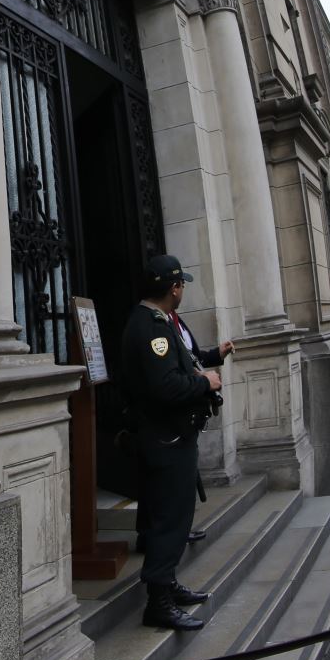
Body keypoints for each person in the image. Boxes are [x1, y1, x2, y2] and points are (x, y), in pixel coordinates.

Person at [119, 254, 221, 631]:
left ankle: (168, 583)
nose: (182, 292)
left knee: (174, 517)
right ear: (173, 287)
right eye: (181, 286)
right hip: (166, 438)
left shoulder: (154, 323)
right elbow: (166, 387)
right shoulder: (152, 329)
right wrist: (205, 382)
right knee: (170, 519)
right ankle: (159, 602)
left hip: (169, 436)